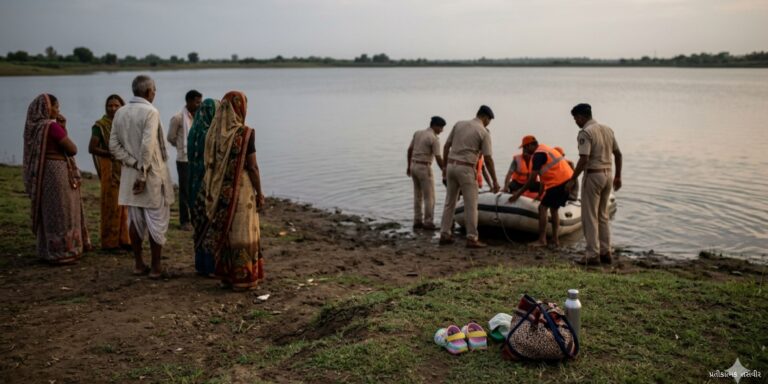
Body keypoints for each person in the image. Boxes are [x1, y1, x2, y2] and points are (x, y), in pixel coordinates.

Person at [195, 91, 265, 290]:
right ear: (240, 108)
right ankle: (242, 279)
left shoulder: (213, 133)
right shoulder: (244, 133)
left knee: (226, 232)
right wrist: (260, 192)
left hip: (218, 190)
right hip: (241, 190)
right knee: (243, 232)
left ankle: (226, 276)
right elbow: (252, 167)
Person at [109, 75, 175, 279]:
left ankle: (139, 264)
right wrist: (143, 171)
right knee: (156, 221)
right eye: (154, 90)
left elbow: (113, 146)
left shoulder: (120, 112)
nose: (155, 93)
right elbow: (147, 145)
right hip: (150, 175)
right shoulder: (151, 111)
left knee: (135, 220)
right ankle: (156, 268)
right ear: (147, 92)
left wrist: (132, 163)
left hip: (130, 175)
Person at [23, 94, 92, 264]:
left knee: (49, 210)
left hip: (44, 174)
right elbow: (72, 149)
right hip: (58, 172)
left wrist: (62, 127)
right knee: (63, 209)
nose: (58, 110)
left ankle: (48, 250)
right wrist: (61, 129)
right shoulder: (51, 127)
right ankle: (64, 251)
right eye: (56, 106)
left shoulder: (35, 128)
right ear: (47, 108)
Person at [565, 103, 623, 265]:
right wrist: (618, 176)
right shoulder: (607, 130)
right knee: (603, 216)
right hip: (608, 175)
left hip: (593, 175)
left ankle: (592, 255)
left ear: (582, 117)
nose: (575, 121)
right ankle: (606, 252)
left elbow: (584, 159)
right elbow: (618, 154)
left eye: (576, 118)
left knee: (589, 217)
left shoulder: (586, 132)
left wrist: (572, 178)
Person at [439, 105, 500, 248]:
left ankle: (444, 234)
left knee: (450, 202)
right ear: (485, 117)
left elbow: (446, 146)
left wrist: (444, 167)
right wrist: (495, 181)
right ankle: (472, 238)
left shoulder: (459, 124)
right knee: (471, 205)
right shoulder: (483, 132)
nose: (488, 123)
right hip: (466, 168)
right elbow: (488, 159)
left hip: (451, 166)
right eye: (489, 120)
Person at [509, 135, 574, 248]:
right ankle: (555, 240)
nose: (524, 150)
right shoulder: (545, 149)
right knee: (554, 209)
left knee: (542, 208)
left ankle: (542, 240)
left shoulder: (538, 155)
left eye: (525, 147)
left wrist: (518, 193)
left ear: (530, 145)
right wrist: (540, 194)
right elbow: (544, 178)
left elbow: (532, 180)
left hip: (559, 183)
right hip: (566, 181)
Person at [88, 94, 131, 251]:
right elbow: (92, 148)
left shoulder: (125, 124)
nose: (113, 108)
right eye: (110, 106)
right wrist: (111, 154)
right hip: (110, 169)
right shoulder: (100, 126)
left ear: (122, 107)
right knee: (111, 206)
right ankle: (110, 243)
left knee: (124, 206)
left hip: (125, 169)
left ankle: (125, 240)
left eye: (116, 105)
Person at [188, 98, 219, 276]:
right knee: (209, 224)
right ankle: (210, 266)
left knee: (199, 224)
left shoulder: (193, 131)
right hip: (207, 185)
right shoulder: (211, 134)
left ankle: (200, 265)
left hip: (193, 184)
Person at [167, 90, 203, 231]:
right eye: (197, 102)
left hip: (197, 159)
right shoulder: (178, 118)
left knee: (197, 190)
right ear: (188, 102)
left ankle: (196, 219)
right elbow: (171, 137)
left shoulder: (200, 117)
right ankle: (184, 221)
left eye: (200, 102)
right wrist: (182, 147)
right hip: (184, 159)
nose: (199, 105)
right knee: (185, 192)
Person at [406, 116, 446, 230]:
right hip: (424, 167)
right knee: (430, 197)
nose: (442, 131)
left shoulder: (418, 133)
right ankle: (428, 222)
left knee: (417, 195)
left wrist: (408, 166)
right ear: (435, 126)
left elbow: (409, 150)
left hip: (414, 165)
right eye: (441, 128)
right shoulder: (434, 139)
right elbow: (438, 158)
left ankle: (417, 221)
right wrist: (444, 171)